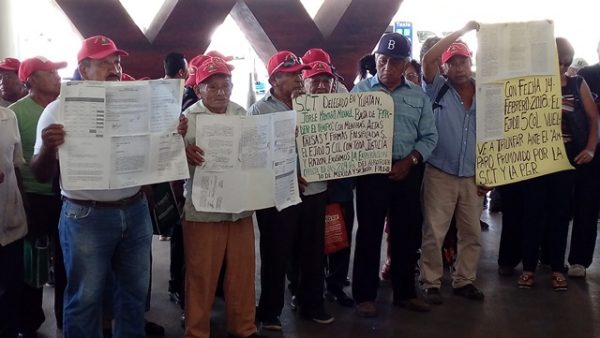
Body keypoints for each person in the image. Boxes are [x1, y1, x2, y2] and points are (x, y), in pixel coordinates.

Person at [30, 35, 154, 337]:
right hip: (85, 216)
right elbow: (40, 173)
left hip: (135, 211)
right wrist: (49, 148)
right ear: (83, 70)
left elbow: (153, 153)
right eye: (105, 63)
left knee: (134, 296)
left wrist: (172, 135)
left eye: (117, 62)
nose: (115, 69)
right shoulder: (58, 110)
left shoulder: (135, 105)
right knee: (85, 299)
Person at [352, 32, 437, 317]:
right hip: (370, 173)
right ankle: (364, 296)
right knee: (368, 233)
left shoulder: (419, 96)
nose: (387, 67)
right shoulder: (359, 92)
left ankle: (405, 293)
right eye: (382, 60)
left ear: (406, 65)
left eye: (395, 61)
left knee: (406, 233)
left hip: (408, 171)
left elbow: (429, 137)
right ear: (375, 60)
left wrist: (410, 160)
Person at [250, 51, 335, 329]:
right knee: (276, 252)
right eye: (293, 75)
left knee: (312, 251)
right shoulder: (260, 110)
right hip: (276, 195)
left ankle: (312, 303)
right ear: (275, 79)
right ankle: (270, 310)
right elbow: (254, 154)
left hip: (315, 189)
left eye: (301, 73)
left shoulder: (315, 105)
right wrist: (282, 176)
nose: (300, 78)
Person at [181, 56, 262, 338]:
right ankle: (197, 331)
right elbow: (166, 162)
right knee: (201, 275)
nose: (219, 92)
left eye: (224, 85)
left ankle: (244, 327)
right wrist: (183, 153)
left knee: (242, 274)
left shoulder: (242, 115)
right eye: (212, 86)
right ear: (199, 89)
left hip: (239, 209)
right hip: (203, 210)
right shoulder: (187, 121)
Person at [517, 37, 598, 291]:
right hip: (537, 159)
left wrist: (590, 148)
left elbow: (594, 117)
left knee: (560, 216)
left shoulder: (577, 83)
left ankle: (556, 268)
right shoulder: (532, 84)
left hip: (566, 160)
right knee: (532, 214)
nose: (562, 67)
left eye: (566, 62)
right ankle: (528, 268)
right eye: (558, 61)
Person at [419, 21, 488, 305]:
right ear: (444, 67)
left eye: (464, 61)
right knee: (434, 231)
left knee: (471, 232)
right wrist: (461, 32)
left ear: (471, 63)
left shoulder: (486, 93)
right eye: (453, 62)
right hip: (440, 172)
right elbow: (427, 59)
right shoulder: (438, 89)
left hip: (473, 175)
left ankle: (464, 280)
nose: (459, 67)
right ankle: (431, 282)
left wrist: (490, 172)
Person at [9, 56, 67, 337]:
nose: (57, 77)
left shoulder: (69, 106)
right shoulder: (17, 113)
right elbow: (14, 160)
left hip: (67, 196)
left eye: (57, 72)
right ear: (31, 80)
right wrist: (23, 202)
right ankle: (29, 323)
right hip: (35, 196)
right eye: (50, 72)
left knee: (67, 263)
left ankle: (65, 320)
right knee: (32, 263)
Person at [567, 40, 600, 278]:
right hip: (592, 150)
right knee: (585, 204)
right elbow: (587, 116)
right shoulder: (587, 74)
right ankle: (579, 260)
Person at [0, 106, 28, 338]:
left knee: (11, 284)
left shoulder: (9, 116)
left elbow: (16, 165)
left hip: (10, 217)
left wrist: (25, 205)